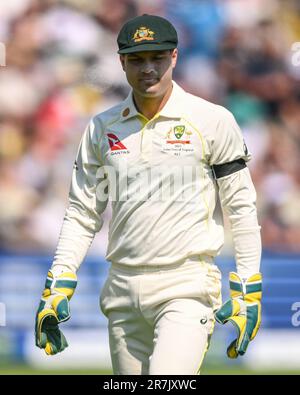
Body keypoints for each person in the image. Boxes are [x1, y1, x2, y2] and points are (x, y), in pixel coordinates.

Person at [35, 14, 262, 375]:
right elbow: (81, 213)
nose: (148, 69)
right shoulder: (101, 126)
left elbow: (241, 208)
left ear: (174, 57)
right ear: (121, 62)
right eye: (137, 60)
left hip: (186, 286)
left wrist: (248, 288)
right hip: (121, 289)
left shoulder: (211, 120)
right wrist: (58, 284)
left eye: (157, 58)